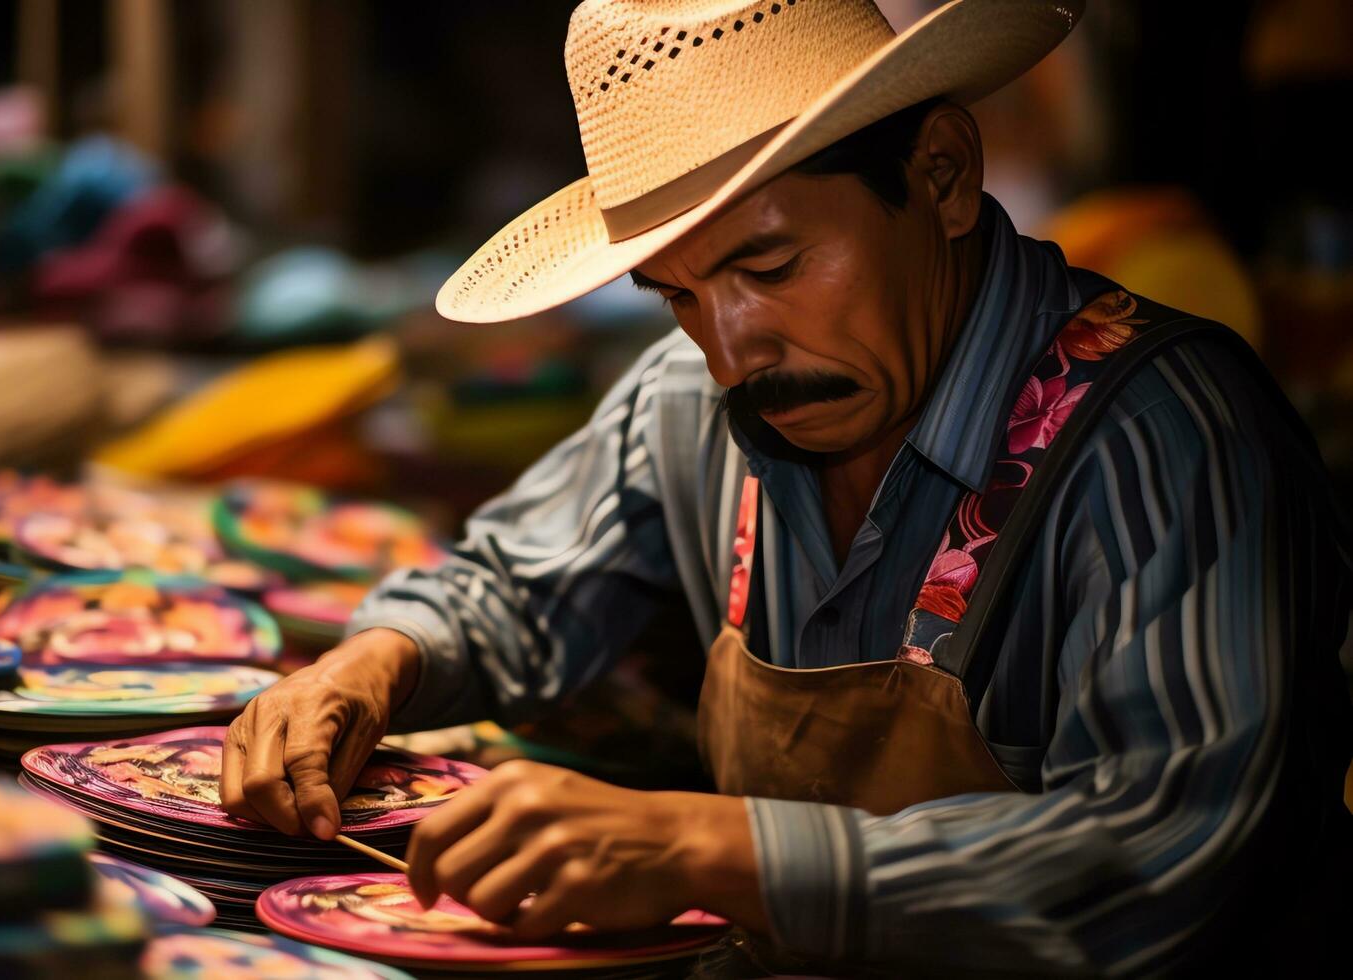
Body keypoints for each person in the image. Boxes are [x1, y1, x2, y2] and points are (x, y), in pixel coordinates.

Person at [222, 1, 1353, 973]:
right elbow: (515, 585)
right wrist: (373, 663)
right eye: (675, 293)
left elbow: (1169, 855)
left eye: (767, 266)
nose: (728, 349)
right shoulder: (692, 393)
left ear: (941, 176)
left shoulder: (1163, 437)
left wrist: (706, 847)